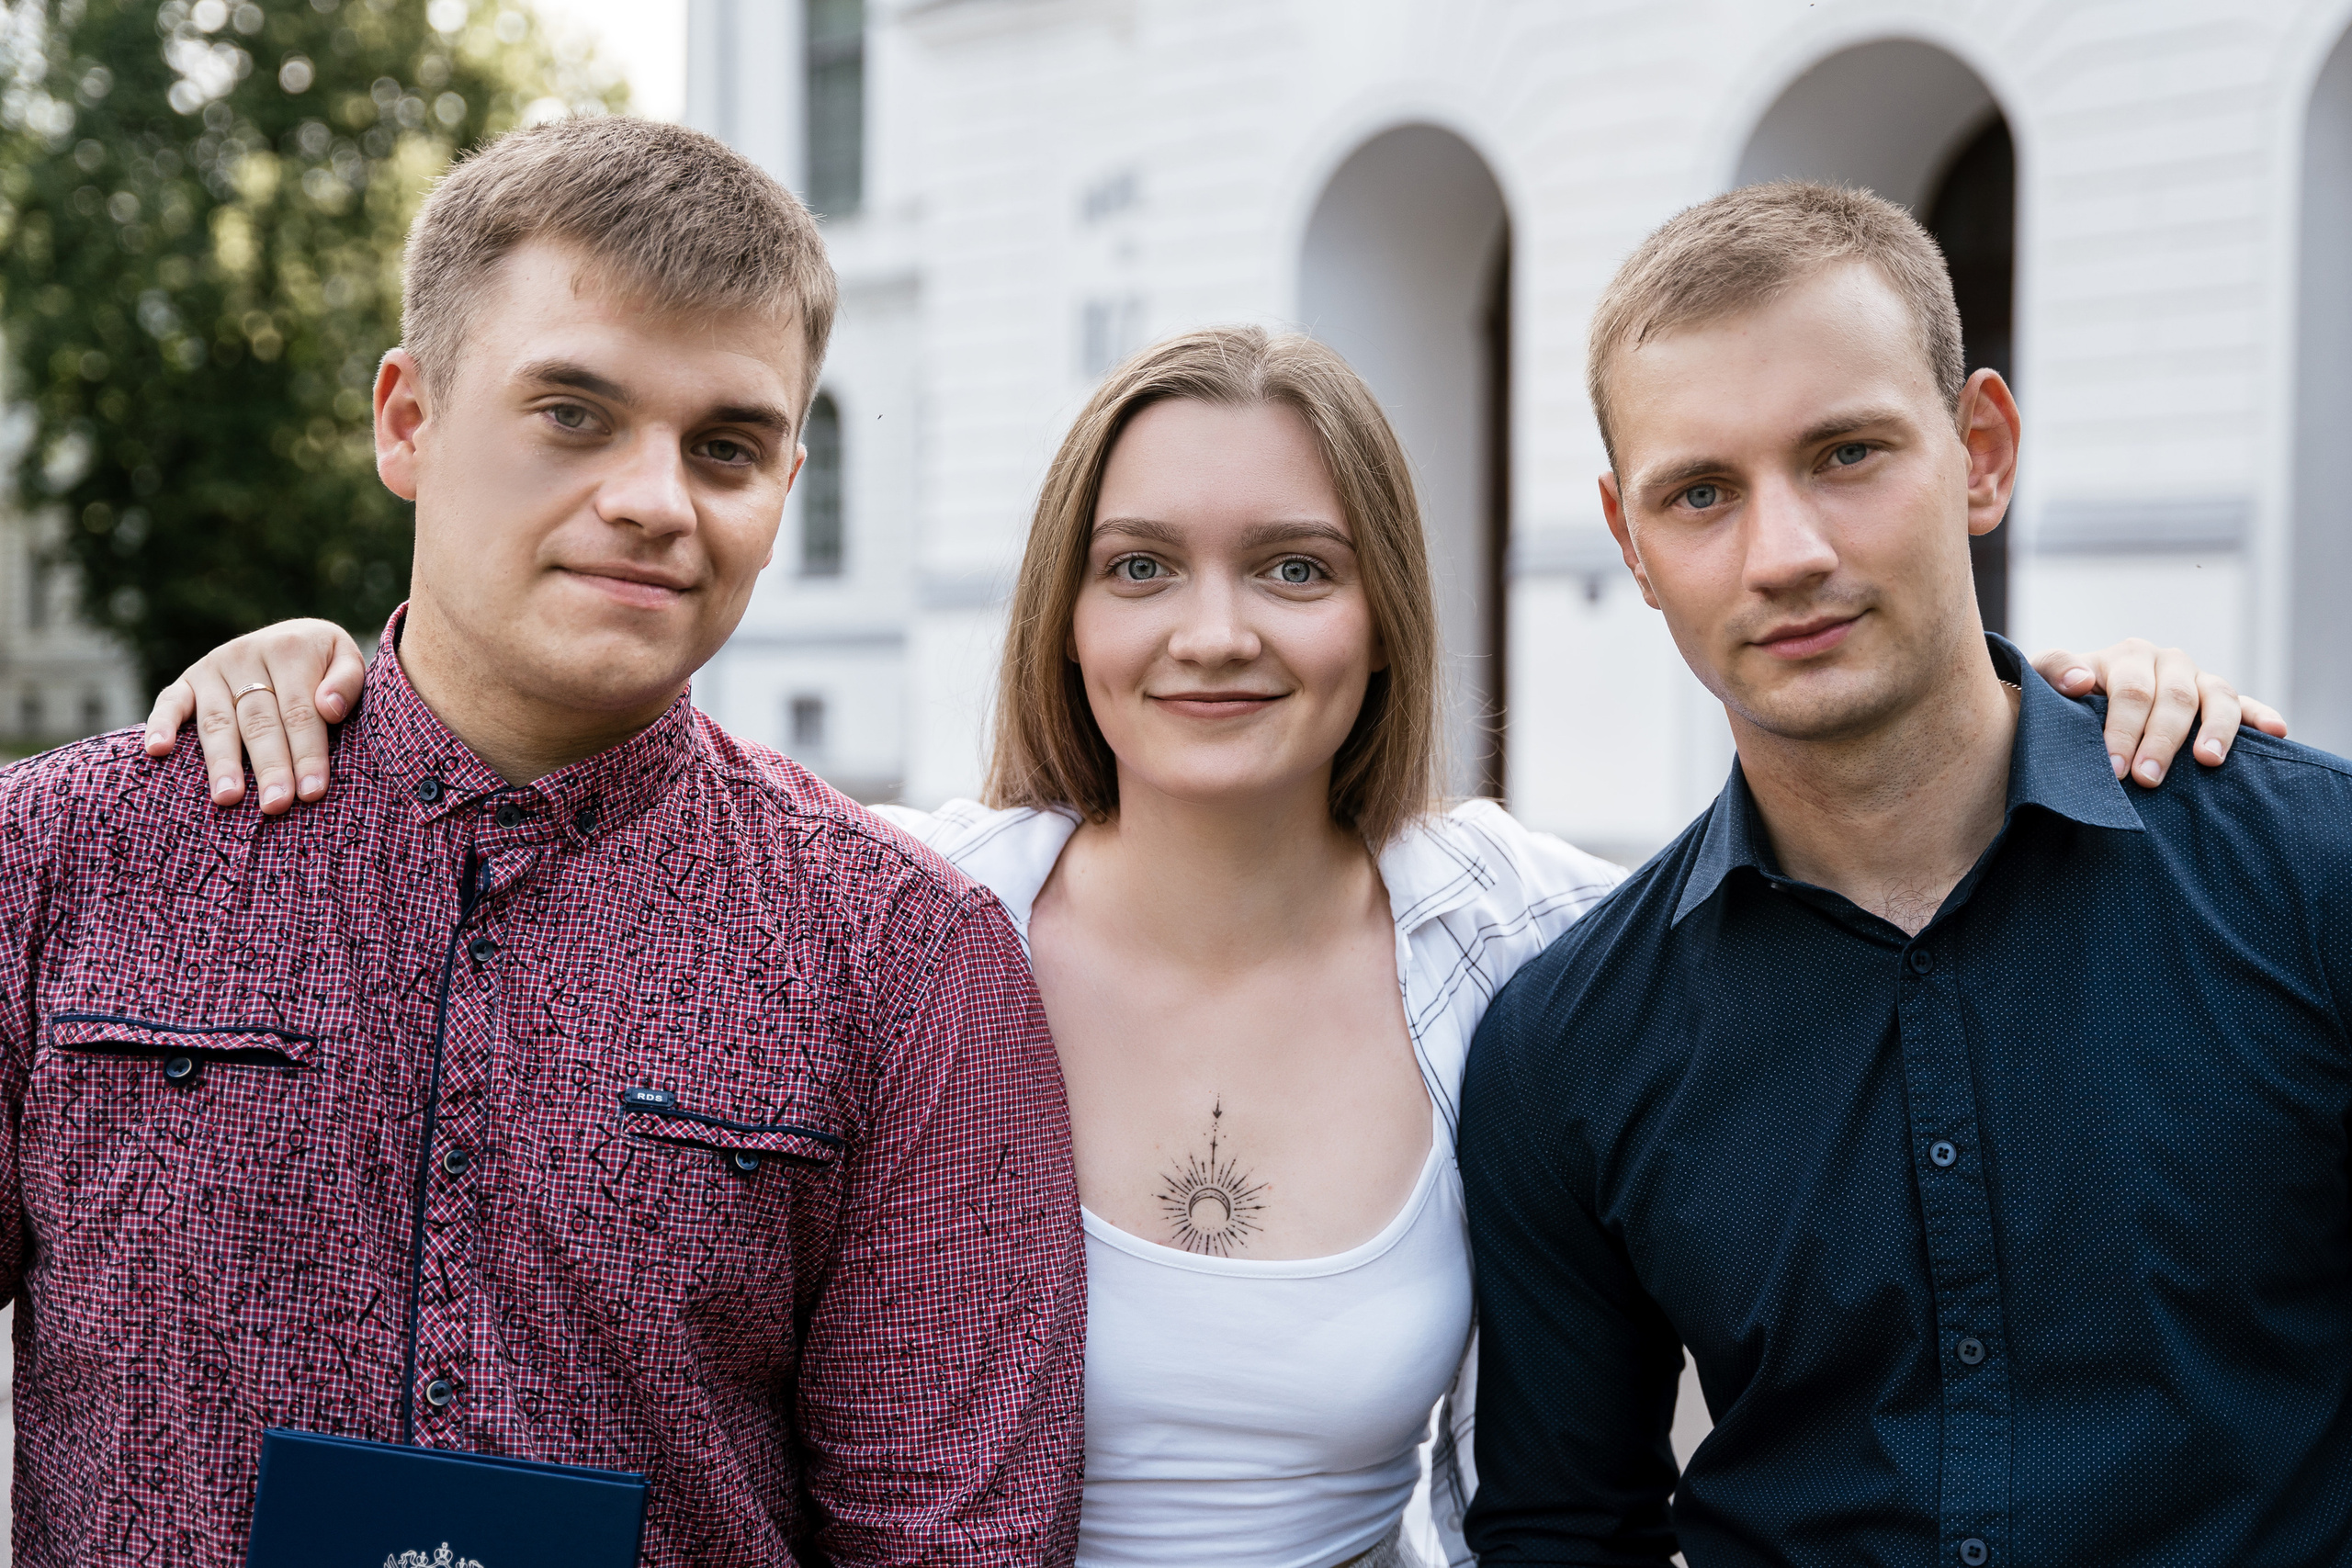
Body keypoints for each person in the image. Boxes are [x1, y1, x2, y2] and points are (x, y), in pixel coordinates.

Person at [156, 310, 2270, 1566]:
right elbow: (571, 815)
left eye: (1290, 566)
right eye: (1141, 565)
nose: (1213, 632)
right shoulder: (882, 917)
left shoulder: (1529, 952)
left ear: (1379, 614)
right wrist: (328, 668)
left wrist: (2073, 706)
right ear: (1064, 614)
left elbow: (1841, 872)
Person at [0, 118, 1086, 1568]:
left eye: (727, 446)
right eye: (573, 411)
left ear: (783, 492)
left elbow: (953, 1542)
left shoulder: (905, 962)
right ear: (408, 420)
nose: (653, 500)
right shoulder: (63, 857)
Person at [1459, 180, 2352, 1567]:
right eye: (1700, 493)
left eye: (1848, 453)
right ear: (1630, 544)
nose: (1787, 555)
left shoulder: (2311, 880)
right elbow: (1567, 1530)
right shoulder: (1564, 1048)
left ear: (1981, 451)